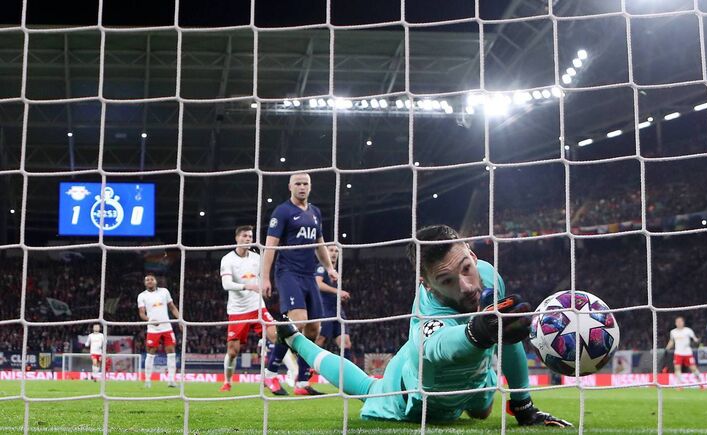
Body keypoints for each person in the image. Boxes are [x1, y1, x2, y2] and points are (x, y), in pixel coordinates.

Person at [270, 225, 571, 426]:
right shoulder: (427, 318)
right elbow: (440, 347)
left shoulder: (489, 276)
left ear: (472, 253)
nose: (466, 286)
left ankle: (490, 394)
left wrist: (522, 406)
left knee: (481, 411)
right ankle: (294, 339)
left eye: (467, 268)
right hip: (412, 389)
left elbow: (509, 337)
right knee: (367, 388)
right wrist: (479, 331)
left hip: (473, 376)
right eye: (446, 281)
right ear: (425, 284)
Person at [261, 173, 338, 396]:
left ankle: (302, 383)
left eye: (305, 183)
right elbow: (270, 246)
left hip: (308, 274)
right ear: (290, 186)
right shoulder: (282, 211)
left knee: (315, 328)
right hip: (288, 273)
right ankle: (270, 374)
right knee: (298, 321)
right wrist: (265, 277)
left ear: (310, 187)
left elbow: (320, 244)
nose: (302, 187)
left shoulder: (315, 213)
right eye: (298, 184)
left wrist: (330, 267)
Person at [219, 225, 283, 394]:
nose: (248, 239)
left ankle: (274, 374)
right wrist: (247, 286)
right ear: (237, 238)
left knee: (277, 336)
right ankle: (227, 381)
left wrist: (264, 286)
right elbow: (226, 284)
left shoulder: (257, 257)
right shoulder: (227, 259)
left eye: (250, 236)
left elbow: (262, 279)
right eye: (245, 236)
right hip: (237, 311)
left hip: (257, 306)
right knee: (233, 352)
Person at [137, 273, 181, 388]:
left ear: (156, 281)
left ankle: (171, 380)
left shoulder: (164, 292)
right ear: (145, 283)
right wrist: (150, 320)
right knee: (150, 353)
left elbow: (172, 307)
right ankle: (147, 380)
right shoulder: (142, 296)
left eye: (151, 279)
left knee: (171, 352)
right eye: (147, 280)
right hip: (153, 329)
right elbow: (142, 314)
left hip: (167, 327)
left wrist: (180, 319)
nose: (149, 281)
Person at [314, 246, 353, 361]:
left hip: (337, 310)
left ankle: (345, 374)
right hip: (324, 310)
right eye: (331, 250)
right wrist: (338, 292)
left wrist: (340, 296)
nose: (334, 253)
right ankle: (306, 370)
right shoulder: (321, 267)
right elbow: (318, 284)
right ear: (325, 252)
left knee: (346, 342)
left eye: (336, 251)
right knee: (320, 340)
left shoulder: (336, 272)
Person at [666, 316, 703, 388]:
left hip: (687, 353)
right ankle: (679, 385)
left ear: (683, 322)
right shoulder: (673, 332)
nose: (679, 323)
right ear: (675, 323)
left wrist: (698, 341)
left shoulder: (688, 330)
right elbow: (671, 341)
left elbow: (695, 339)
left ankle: (701, 383)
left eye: (680, 321)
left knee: (693, 368)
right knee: (677, 368)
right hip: (678, 353)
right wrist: (667, 348)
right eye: (677, 322)